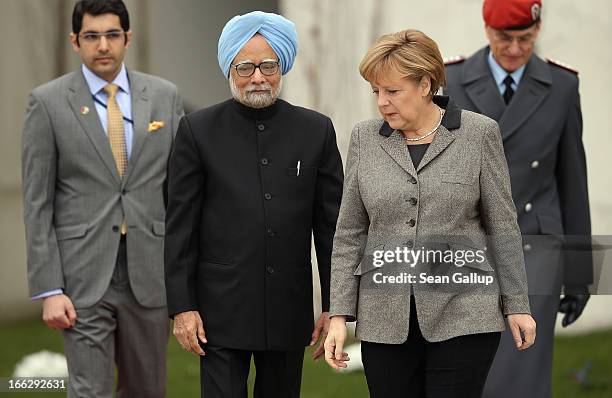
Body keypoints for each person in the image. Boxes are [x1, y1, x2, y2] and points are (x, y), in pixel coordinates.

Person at [324, 29, 536, 398]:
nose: (382, 102)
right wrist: (339, 315)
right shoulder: (364, 138)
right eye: (376, 92)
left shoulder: (479, 134)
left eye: (392, 91)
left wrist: (517, 305)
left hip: (465, 314)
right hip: (384, 318)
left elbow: (502, 225)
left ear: (425, 84)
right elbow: (350, 233)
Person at [164, 11, 343, 398]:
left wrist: (334, 304)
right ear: (229, 66)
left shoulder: (316, 130)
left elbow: (331, 230)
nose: (257, 77)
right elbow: (181, 228)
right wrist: (182, 307)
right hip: (218, 314)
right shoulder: (196, 131)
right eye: (245, 67)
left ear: (283, 66)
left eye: (268, 65)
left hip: (288, 310)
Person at [21, 0, 183, 396]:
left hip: (150, 270)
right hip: (82, 275)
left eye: (112, 35)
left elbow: (181, 191)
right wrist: (49, 289)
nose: (103, 45)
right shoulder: (47, 102)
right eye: (92, 36)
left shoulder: (164, 97)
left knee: (147, 389)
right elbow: (37, 202)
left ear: (128, 38)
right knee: (89, 390)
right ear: (75, 41)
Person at [444, 1, 592, 397]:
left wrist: (580, 274)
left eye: (525, 38)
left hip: (536, 243)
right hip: (470, 242)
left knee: (523, 366)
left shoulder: (563, 85)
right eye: (503, 38)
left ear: (538, 30)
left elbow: (573, 179)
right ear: (487, 30)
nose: (514, 48)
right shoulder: (450, 79)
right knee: (469, 364)